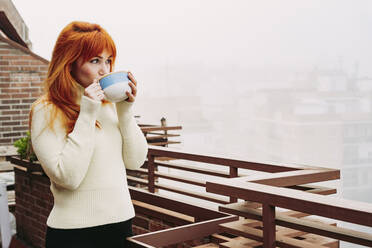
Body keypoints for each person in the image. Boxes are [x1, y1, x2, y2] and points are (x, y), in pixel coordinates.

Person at [29, 21, 148, 247]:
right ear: (70, 63)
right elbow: (67, 177)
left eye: (108, 61)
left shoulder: (111, 105)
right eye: (95, 61)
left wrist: (125, 110)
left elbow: (136, 161)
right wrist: (87, 113)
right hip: (73, 234)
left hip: (121, 225)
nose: (105, 70)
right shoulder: (46, 109)